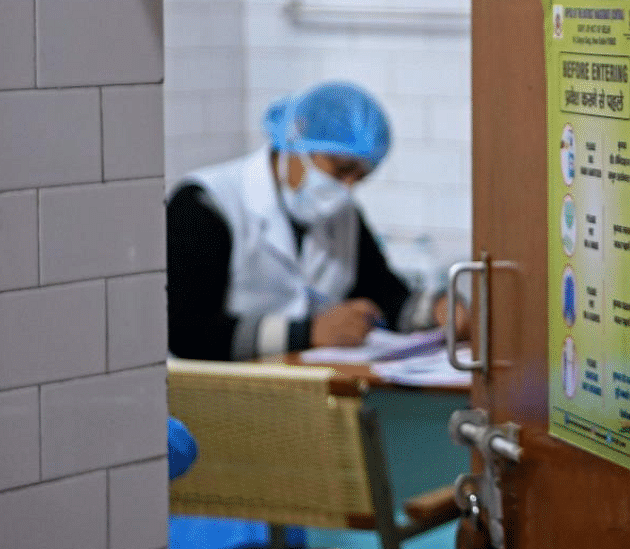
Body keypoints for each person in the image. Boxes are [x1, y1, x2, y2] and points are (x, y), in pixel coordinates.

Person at [167, 80, 466, 361]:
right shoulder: (206, 203)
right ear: (295, 142)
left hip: (308, 385)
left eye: (359, 178)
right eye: (339, 169)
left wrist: (436, 310)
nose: (346, 188)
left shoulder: (344, 215)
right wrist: (309, 333)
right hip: (222, 394)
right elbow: (185, 332)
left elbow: (384, 294)